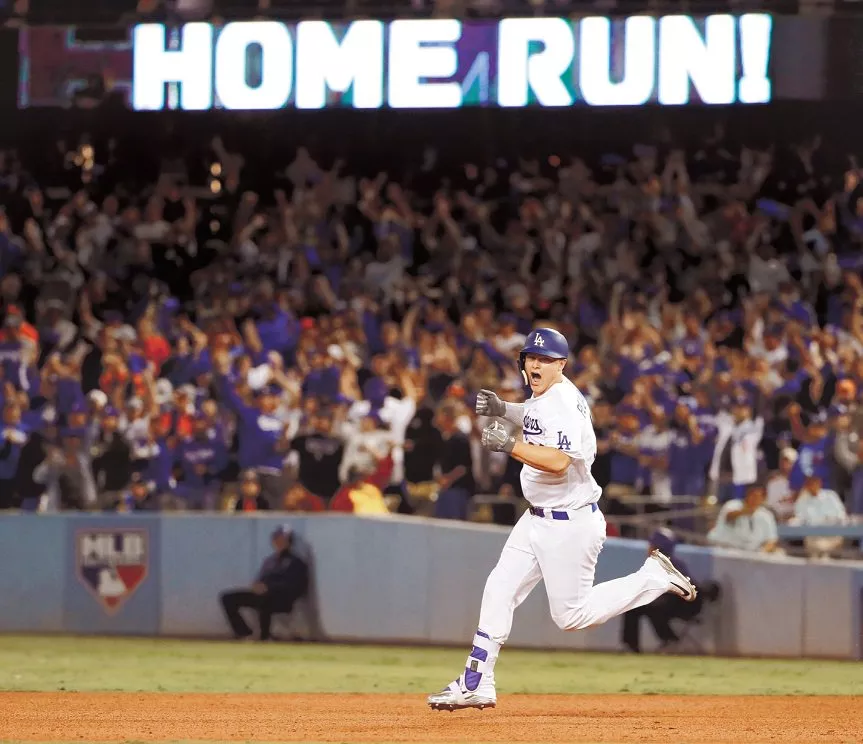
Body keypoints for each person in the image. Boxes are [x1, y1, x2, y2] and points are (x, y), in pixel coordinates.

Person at [427, 328, 697, 712]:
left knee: (572, 616)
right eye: (530, 358)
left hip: (569, 523)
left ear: (562, 365)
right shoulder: (547, 395)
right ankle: (476, 681)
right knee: (499, 588)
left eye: (545, 360)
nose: (535, 364)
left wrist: (510, 445)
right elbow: (536, 418)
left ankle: (652, 577)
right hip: (536, 519)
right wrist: (505, 410)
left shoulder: (565, 403)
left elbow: (557, 462)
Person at [219, 524, 310, 641]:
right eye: (277, 539)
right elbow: (261, 579)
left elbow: (296, 586)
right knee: (227, 598)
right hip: (262, 595)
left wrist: (270, 588)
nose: (278, 542)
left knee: (266, 600)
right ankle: (244, 632)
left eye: (282, 539)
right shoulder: (270, 561)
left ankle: (264, 635)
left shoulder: (296, 562)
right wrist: (257, 586)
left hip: (281, 599)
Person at [621, 528, 704, 653]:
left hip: (687, 604)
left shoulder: (670, 564)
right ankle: (630, 646)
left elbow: (681, 591)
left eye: (652, 545)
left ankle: (670, 640)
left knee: (655, 607)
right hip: (670, 602)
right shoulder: (657, 563)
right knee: (634, 607)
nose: (648, 548)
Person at [706, 482, 781, 553]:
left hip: (751, 554)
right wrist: (746, 511)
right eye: (753, 495)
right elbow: (729, 516)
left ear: (763, 498)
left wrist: (763, 552)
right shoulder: (732, 505)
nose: (755, 499)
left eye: (758, 497)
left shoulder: (766, 515)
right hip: (724, 548)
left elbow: (772, 539)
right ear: (747, 495)